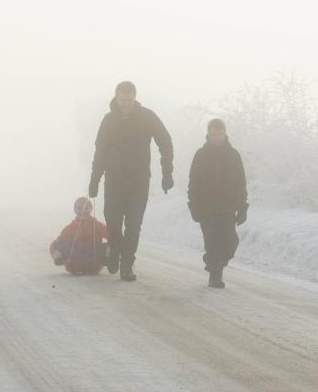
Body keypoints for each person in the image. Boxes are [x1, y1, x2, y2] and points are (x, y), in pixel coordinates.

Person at [88, 81, 174, 282]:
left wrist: (167, 173)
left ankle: (127, 264)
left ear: (135, 98)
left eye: (130, 100)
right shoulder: (108, 121)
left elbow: (166, 142)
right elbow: (100, 152)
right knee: (114, 223)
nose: (126, 103)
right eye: (123, 100)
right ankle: (115, 251)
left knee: (134, 225)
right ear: (116, 98)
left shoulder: (147, 117)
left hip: (139, 181)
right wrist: (94, 180)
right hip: (114, 181)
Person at [187, 118, 248, 289]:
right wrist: (193, 206)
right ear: (208, 135)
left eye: (220, 134)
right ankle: (215, 276)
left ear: (225, 134)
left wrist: (242, 207)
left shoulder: (233, 155)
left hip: (227, 207)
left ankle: (214, 262)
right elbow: (193, 182)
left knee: (230, 242)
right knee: (212, 242)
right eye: (213, 135)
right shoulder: (200, 155)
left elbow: (240, 183)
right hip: (206, 208)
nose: (217, 138)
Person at [49, 197, 109, 275]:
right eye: (79, 208)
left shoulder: (97, 225)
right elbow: (56, 244)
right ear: (75, 210)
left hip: (93, 260)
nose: (83, 211)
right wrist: (57, 256)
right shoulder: (70, 227)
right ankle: (66, 260)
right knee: (60, 242)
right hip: (74, 261)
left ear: (91, 209)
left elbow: (111, 237)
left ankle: (106, 259)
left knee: (112, 241)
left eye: (86, 208)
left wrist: (108, 253)